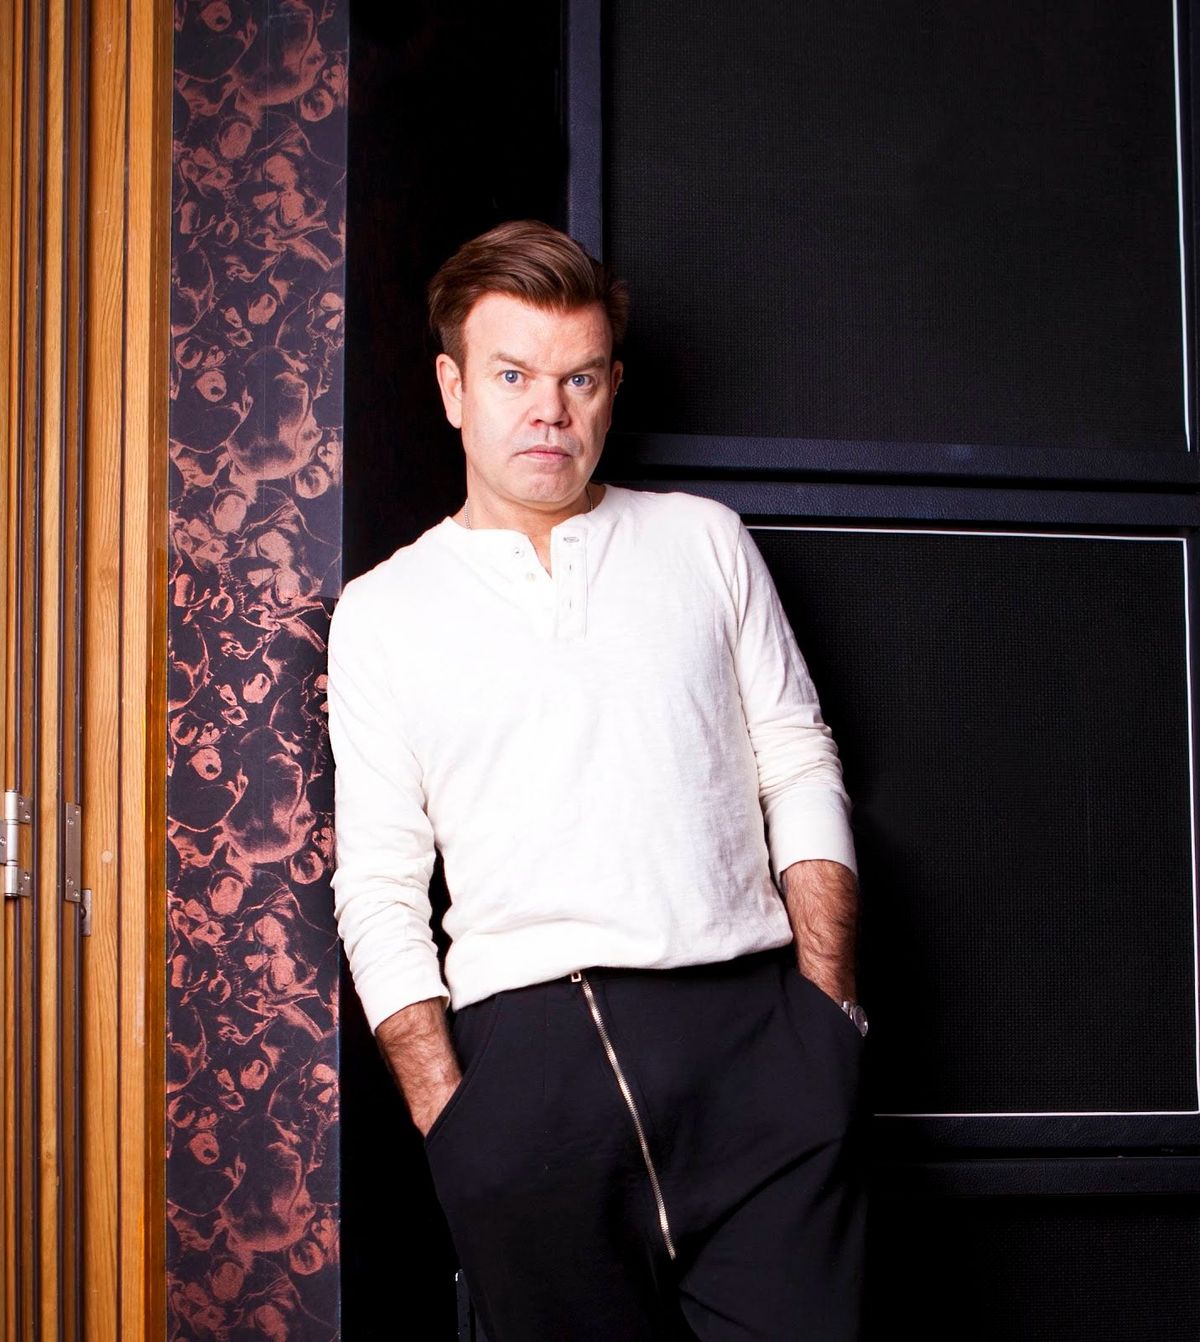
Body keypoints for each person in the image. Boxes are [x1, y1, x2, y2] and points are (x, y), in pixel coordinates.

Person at [328, 219, 867, 1341]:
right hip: (526, 1082)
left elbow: (797, 756)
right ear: (452, 388)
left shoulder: (704, 540)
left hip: (754, 1041)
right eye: (513, 376)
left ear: (612, 388)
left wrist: (826, 1008)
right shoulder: (383, 612)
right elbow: (378, 886)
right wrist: (449, 1118)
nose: (549, 410)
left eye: (578, 378)